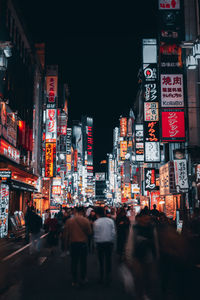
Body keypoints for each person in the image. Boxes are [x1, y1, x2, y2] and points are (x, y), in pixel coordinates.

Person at [63, 206, 92, 287]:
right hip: (83, 243)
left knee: (74, 262)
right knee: (83, 262)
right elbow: (89, 232)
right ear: (82, 212)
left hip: (73, 243)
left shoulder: (69, 221)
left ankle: (74, 280)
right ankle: (83, 278)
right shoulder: (85, 220)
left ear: (75, 211)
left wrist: (65, 246)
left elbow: (66, 234)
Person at [93, 206, 116, 285]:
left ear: (97, 214)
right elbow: (113, 232)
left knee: (101, 261)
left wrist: (95, 243)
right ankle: (108, 276)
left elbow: (95, 234)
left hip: (100, 243)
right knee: (108, 260)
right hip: (109, 242)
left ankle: (101, 276)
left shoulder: (96, 222)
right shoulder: (110, 221)